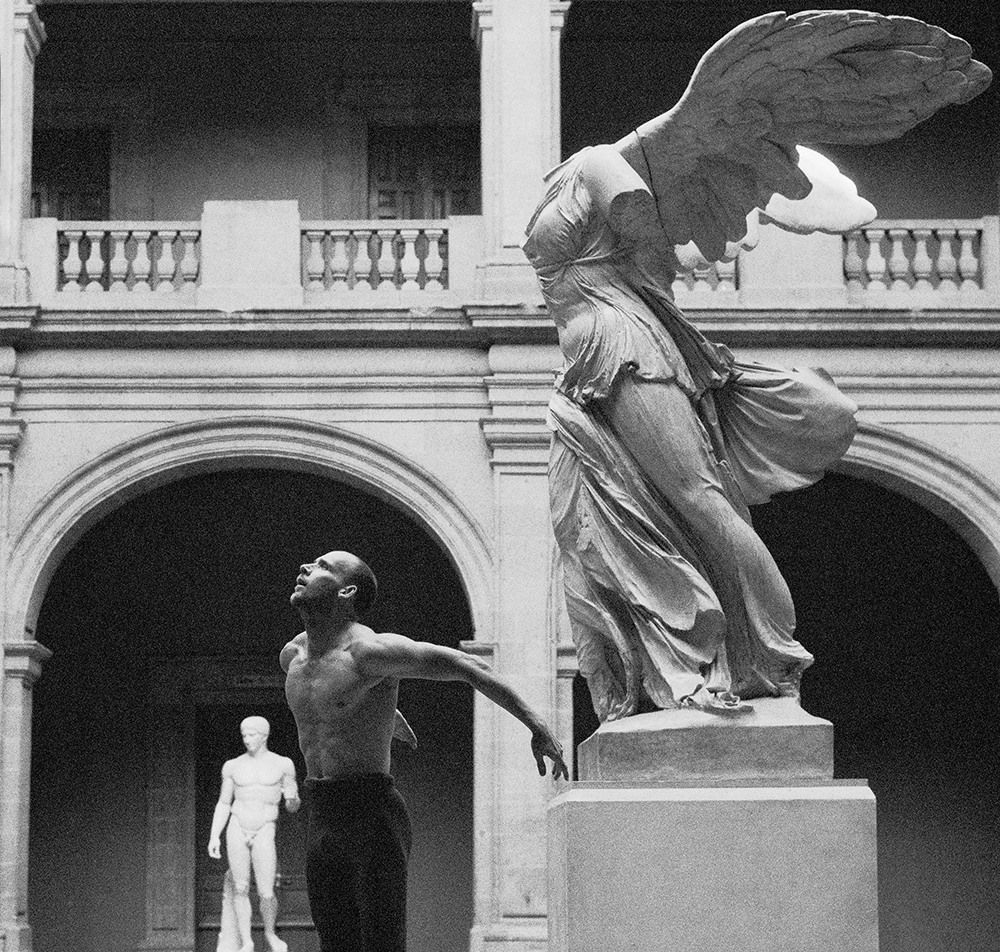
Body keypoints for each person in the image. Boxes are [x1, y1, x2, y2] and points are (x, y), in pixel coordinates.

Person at [523, 10, 990, 722]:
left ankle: (768, 656)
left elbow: (641, 214)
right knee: (590, 529)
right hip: (587, 368)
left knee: (701, 501)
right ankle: (672, 663)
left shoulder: (597, 164)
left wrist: (685, 168)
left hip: (627, 348)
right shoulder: (575, 177)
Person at [280, 550, 567, 952]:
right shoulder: (292, 656)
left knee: (382, 943)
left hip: (371, 810)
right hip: (321, 809)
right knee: (335, 942)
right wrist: (386, 714)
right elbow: (334, 704)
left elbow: (466, 665)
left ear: (347, 592)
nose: (307, 568)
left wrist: (535, 723)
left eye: (323, 567)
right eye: (310, 563)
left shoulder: (369, 653)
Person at [207, 716, 300, 952]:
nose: (247, 739)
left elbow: (292, 806)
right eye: (244, 735)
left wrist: (291, 798)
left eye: (252, 735)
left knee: (266, 891)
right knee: (240, 887)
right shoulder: (233, 766)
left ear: (264, 735)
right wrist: (214, 835)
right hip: (237, 825)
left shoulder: (283, 765)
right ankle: (246, 940)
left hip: (265, 827)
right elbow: (224, 803)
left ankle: (270, 933)